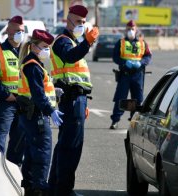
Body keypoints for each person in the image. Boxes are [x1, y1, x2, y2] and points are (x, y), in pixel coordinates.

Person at [48, 5, 99, 196]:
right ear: (68, 21)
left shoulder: (73, 42)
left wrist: (84, 102)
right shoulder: (63, 42)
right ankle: (64, 190)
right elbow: (70, 58)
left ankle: (54, 188)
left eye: (84, 23)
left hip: (77, 99)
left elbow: (78, 76)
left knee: (64, 146)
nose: (82, 25)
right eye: (78, 22)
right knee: (71, 148)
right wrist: (86, 42)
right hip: (71, 100)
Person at [17, 29, 63, 196]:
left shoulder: (34, 64)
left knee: (32, 151)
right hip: (36, 115)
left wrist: (53, 90)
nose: (47, 50)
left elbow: (38, 89)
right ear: (34, 46)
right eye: (45, 46)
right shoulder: (33, 66)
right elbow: (37, 94)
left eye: (48, 47)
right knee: (43, 150)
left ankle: (29, 185)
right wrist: (51, 111)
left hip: (31, 114)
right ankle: (39, 187)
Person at [0, 15, 26, 164]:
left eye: (22, 30)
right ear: (8, 31)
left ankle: (14, 169)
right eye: (17, 30)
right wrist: (6, 94)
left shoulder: (27, 52)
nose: (20, 33)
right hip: (7, 101)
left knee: (20, 138)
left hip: (24, 102)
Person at [109, 20, 152, 129]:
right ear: (125, 30)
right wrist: (124, 63)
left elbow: (148, 56)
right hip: (125, 74)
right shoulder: (121, 42)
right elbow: (115, 57)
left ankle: (134, 121)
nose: (131, 31)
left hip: (138, 74)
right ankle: (115, 121)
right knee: (120, 97)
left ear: (136, 30)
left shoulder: (142, 43)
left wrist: (141, 63)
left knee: (138, 99)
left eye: (132, 29)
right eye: (128, 29)